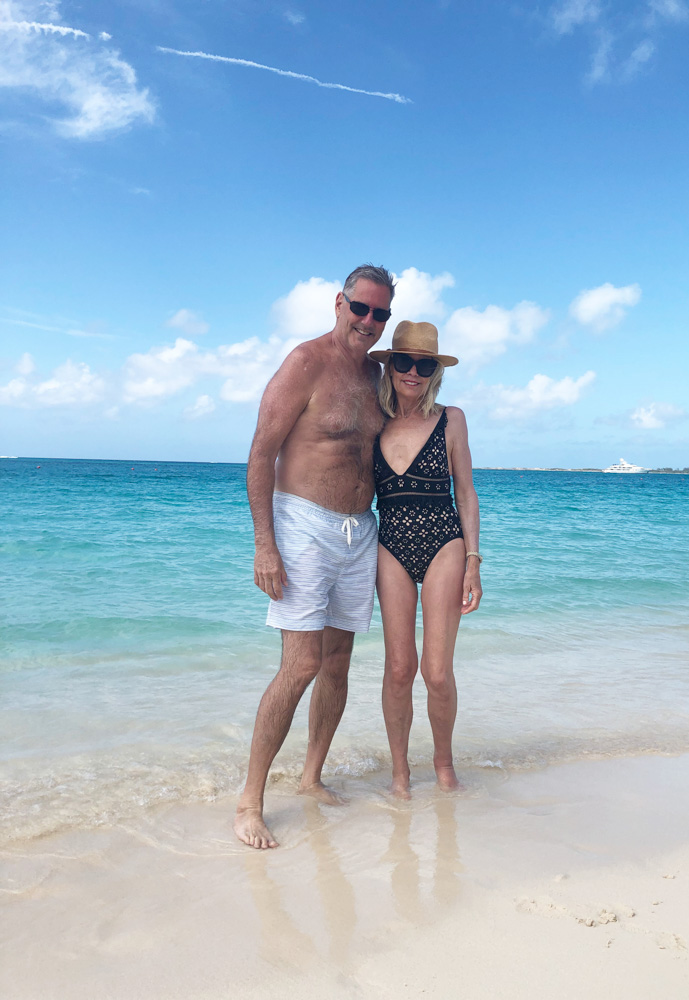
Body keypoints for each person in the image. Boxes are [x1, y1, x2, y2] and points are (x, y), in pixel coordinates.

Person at [234, 264, 396, 849]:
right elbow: (259, 454)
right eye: (361, 309)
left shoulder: (378, 375)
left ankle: (310, 777)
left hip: (361, 533)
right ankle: (250, 801)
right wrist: (264, 543)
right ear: (339, 303)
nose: (369, 322)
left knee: (337, 665)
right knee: (299, 664)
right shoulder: (305, 363)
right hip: (302, 524)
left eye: (381, 313)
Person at [369, 321, 481, 799]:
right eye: (404, 362)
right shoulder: (372, 419)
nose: (413, 372)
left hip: (444, 541)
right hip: (389, 540)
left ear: (435, 371)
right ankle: (400, 773)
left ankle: (444, 765)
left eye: (425, 364)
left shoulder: (451, 419)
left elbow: (466, 492)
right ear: (390, 365)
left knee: (436, 672)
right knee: (398, 668)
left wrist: (474, 559)